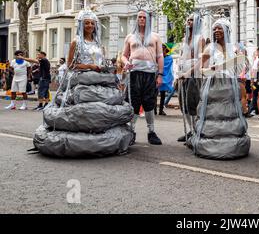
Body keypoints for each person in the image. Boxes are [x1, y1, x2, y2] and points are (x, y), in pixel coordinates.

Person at [32, 9, 134, 157]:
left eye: (92, 23)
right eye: (86, 23)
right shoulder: (76, 42)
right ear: (81, 24)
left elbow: (102, 62)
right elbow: (70, 65)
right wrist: (89, 67)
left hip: (99, 80)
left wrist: (108, 70)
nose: (90, 25)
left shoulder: (99, 43)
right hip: (82, 79)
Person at [191, 17, 250, 159]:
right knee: (214, 113)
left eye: (219, 28)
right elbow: (200, 66)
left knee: (229, 113)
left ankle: (232, 145)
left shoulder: (234, 48)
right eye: (214, 29)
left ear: (227, 30)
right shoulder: (210, 48)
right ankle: (210, 144)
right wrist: (185, 75)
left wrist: (242, 62)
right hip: (214, 85)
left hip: (230, 85)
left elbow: (243, 66)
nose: (216, 31)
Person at [122, 10, 164, 145]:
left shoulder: (155, 36)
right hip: (134, 73)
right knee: (133, 102)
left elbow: (159, 56)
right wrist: (126, 62)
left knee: (149, 102)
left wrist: (160, 74)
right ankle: (131, 132)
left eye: (144, 17)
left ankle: (151, 132)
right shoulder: (130, 37)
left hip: (150, 73)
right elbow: (123, 55)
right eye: (139, 17)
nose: (141, 19)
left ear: (148, 19)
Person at [177, 13, 205, 143]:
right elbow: (182, 57)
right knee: (183, 106)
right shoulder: (185, 39)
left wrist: (188, 73)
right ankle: (191, 130)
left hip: (193, 75)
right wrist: (179, 71)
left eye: (192, 20)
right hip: (183, 76)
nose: (188, 22)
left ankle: (196, 131)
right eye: (187, 19)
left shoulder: (200, 39)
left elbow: (201, 61)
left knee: (192, 104)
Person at [155, 43, 174, 116]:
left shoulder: (169, 58)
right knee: (155, 94)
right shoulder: (158, 58)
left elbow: (170, 68)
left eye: (163, 50)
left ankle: (160, 110)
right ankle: (155, 111)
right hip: (159, 77)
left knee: (162, 95)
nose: (163, 51)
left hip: (163, 78)